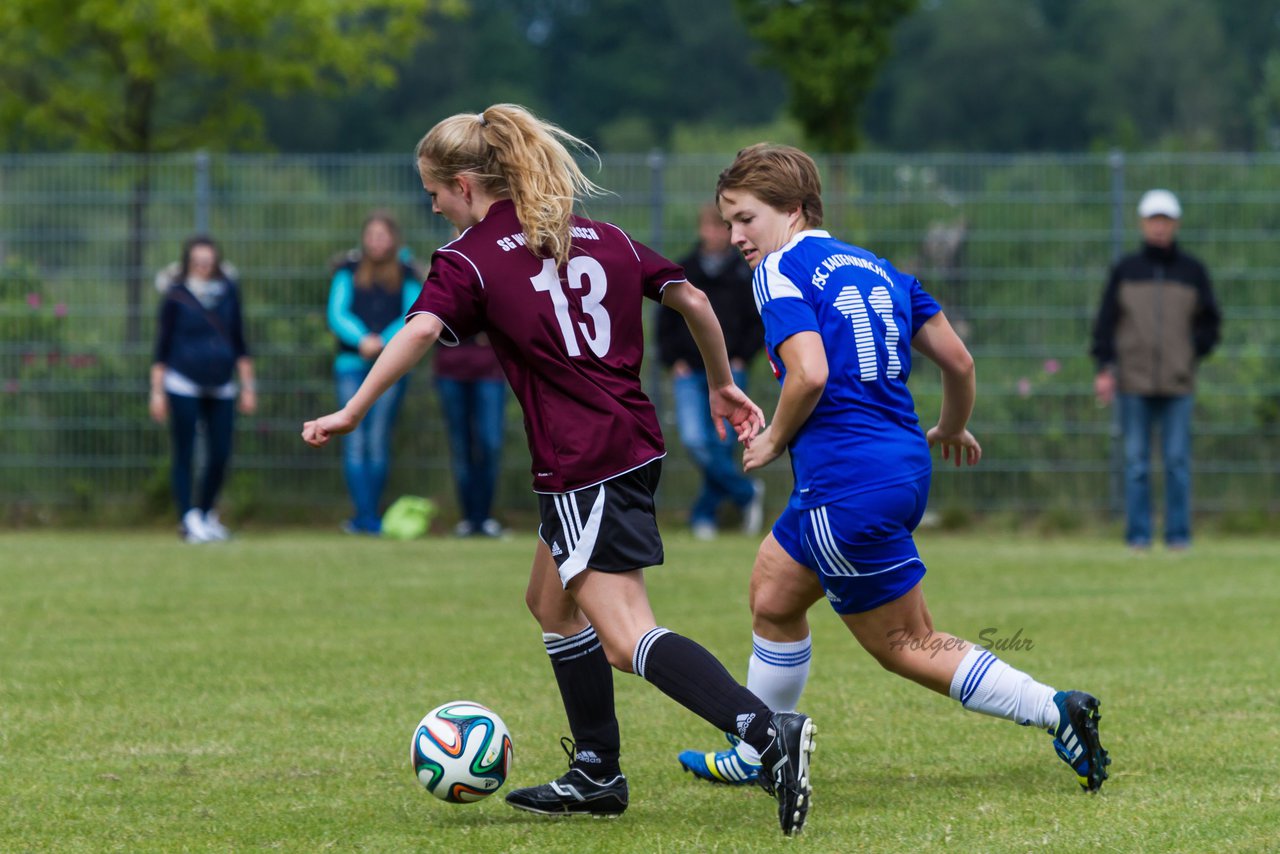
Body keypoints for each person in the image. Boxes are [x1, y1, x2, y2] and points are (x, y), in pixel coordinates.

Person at [301, 105, 815, 835]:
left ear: (465, 182)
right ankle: (597, 773)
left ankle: (766, 731)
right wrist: (721, 380)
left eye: (435, 193)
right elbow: (692, 298)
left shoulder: (470, 257)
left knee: (627, 635)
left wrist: (352, 409)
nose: (435, 207)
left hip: (584, 460)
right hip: (625, 442)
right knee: (551, 603)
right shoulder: (599, 235)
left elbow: (418, 330)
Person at [676, 144, 1110, 795]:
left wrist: (772, 441)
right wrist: (954, 424)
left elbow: (810, 372)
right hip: (899, 466)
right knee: (772, 595)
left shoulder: (778, 270)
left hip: (844, 483)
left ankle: (1054, 708)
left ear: (792, 210)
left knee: (906, 643)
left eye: (746, 218)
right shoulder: (878, 268)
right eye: (729, 222)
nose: (736, 236)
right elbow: (959, 363)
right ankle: (760, 746)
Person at [1090, 189, 1221, 551]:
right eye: (1153, 220)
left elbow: (1211, 322)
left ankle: (1178, 535)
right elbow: (1105, 323)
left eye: (1165, 220)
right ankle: (1139, 536)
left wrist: (1192, 352)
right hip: (1133, 381)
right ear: (1143, 224)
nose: (1160, 227)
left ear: (1175, 224)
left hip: (1179, 383)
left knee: (1177, 462)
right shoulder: (1125, 271)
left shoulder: (1193, 272)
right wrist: (1105, 367)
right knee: (1136, 464)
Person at [656, 203, 766, 540]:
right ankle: (747, 493)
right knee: (694, 440)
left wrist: (743, 358)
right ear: (701, 229)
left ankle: (703, 515)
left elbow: (756, 321)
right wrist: (673, 358)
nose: (716, 234)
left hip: (731, 371)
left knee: (720, 446)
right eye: (711, 227)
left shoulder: (744, 272)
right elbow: (665, 320)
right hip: (690, 371)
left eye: (722, 228)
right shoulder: (683, 269)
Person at [150, 235, 256, 543]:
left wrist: (248, 385)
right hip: (182, 382)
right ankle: (188, 518)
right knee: (184, 452)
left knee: (220, 451)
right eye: (197, 262)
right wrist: (157, 391)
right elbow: (162, 347)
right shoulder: (176, 296)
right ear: (188, 263)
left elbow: (239, 341)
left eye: (208, 261)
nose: (203, 266)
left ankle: (207, 512)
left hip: (222, 383)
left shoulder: (228, 293)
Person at [326, 212, 424, 535]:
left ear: (393, 239)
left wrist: (383, 342)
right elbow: (337, 313)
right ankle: (364, 516)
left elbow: (413, 315)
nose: (377, 241)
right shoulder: (347, 270)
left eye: (383, 235)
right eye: (372, 235)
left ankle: (369, 516)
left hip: (388, 366)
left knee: (377, 440)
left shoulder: (407, 272)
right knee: (354, 441)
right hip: (351, 366)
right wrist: (362, 339)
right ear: (364, 238)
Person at [433, 333, 508, 538]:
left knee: (490, 445)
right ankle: (469, 519)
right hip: (450, 369)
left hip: (490, 370)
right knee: (461, 448)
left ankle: (484, 517)